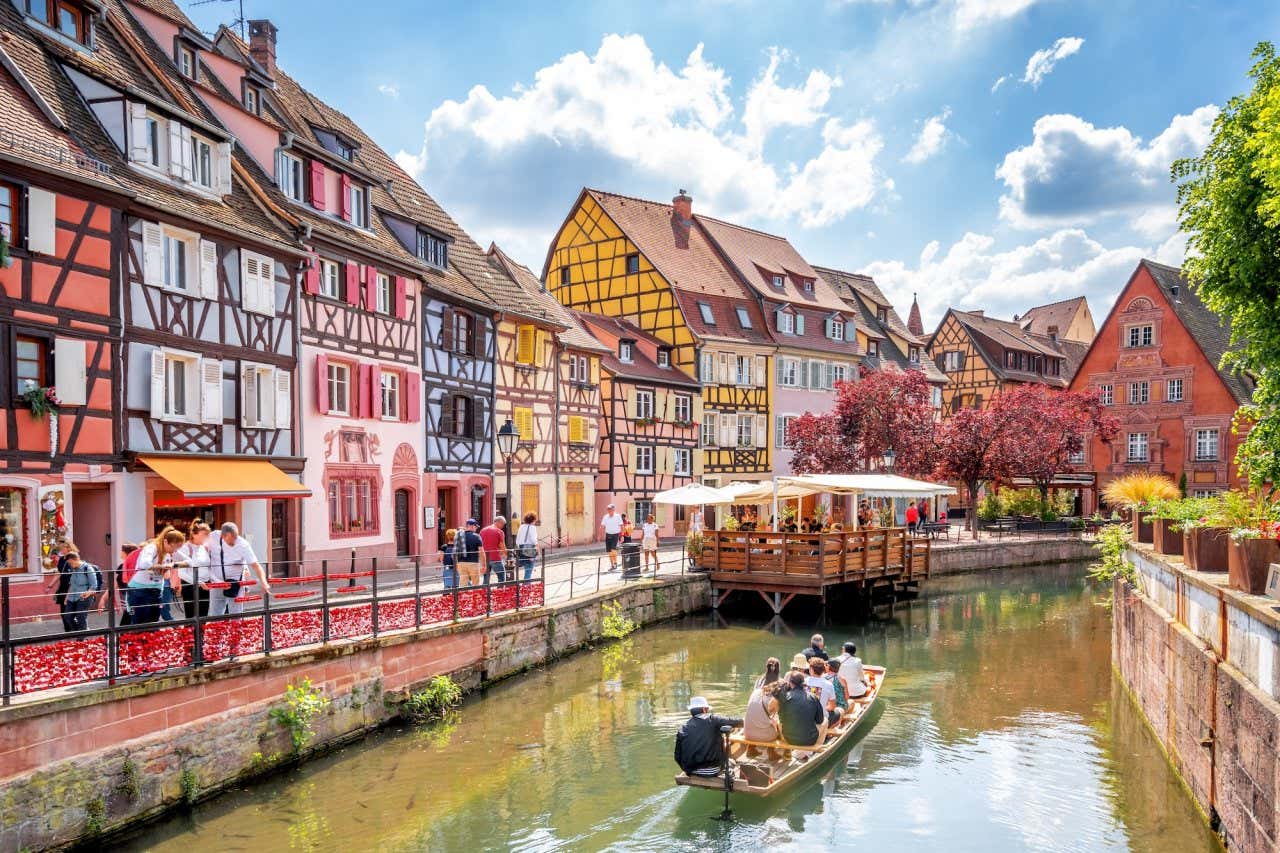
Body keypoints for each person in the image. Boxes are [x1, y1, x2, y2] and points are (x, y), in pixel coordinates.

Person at [208, 522, 271, 616]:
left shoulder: (243, 544)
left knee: (236, 614)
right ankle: (216, 630)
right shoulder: (212, 537)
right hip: (217, 583)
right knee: (214, 615)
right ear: (223, 535)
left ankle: (236, 629)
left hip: (236, 584)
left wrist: (264, 582)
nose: (234, 541)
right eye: (231, 538)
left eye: (235, 537)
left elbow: (256, 565)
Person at [674, 697, 743, 777]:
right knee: (731, 759)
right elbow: (735, 722)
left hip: (691, 771)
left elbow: (677, 756)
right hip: (713, 770)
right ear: (704, 709)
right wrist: (745, 721)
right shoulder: (712, 719)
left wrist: (686, 770)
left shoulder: (683, 727)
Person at [130, 528, 185, 624]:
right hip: (140, 589)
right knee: (139, 622)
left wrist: (173, 565)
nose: (174, 551)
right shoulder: (152, 547)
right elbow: (144, 564)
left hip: (157, 589)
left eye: (177, 548)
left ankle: (148, 638)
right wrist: (163, 567)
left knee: (153, 620)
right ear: (166, 542)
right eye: (173, 547)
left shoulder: (170, 551)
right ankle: (132, 638)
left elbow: (190, 561)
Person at [777, 671, 826, 748]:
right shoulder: (813, 697)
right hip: (810, 739)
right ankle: (816, 747)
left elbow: (781, 719)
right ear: (803, 683)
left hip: (788, 738)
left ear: (790, 683)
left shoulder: (784, 697)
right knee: (825, 720)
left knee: (778, 721)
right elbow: (820, 720)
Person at [176, 521, 212, 620]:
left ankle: (201, 635)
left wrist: (215, 580)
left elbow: (208, 567)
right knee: (191, 616)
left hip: (205, 585)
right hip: (190, 586)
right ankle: (191, 635)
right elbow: (181, 573)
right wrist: (197, 582)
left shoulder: (204, 548)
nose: (206, 537)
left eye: (207, 534)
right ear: (194, 534)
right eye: (204, 534)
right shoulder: (185, 548)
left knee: (204, 615)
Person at [60, 551, 101, 632]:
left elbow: (94, 585)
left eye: (71, 562)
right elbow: (72, 585)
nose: (70, 565)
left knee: (81, 617)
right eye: (69, 563)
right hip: (72, 597)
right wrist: (66, 597)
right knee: (67, 617)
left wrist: (87, 593)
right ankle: (82, 632)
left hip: (84, 597)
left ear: (76, 559)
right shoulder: (73, 569)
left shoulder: (87, 568)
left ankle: (81, 638)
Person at [45, 539, 79, 631]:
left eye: (62, 548)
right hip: (63, 588)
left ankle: (76, 631)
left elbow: (75, 576)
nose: (61, 550)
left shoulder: (74, 558)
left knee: (70, 612)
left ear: (68, 548)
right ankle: (68, 631)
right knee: (63, 612)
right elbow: (59, 573)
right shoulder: (62, 559)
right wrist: (49, 586)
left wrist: (70, 591)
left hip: (72, 588)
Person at [805, 658, 842, 728]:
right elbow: (832, 707)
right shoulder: (829, 684)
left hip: (806, 717)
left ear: (811, 670)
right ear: (823, 670)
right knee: (840, 710)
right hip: (821, 718)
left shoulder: (803, 681)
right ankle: (827, 732)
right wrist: (823, 708)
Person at [455, 519, 484, 587]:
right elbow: (481, 551)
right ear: (472, 526)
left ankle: (463, 597)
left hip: (461, 563)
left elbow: (456, 551)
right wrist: (484, 564)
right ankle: (475, 597)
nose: (476, 528)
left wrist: (456, 563)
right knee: (475, 584)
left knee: (463, 584)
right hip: (473, 563)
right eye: (476, 526)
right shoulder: (476, 536)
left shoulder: (459, 536)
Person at [479, 517, 508, 584]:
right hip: (495, 557)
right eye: (503, 524)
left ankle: (485, 592)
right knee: (502, 577)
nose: (502, 526)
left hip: (485, 558)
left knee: (486, 578)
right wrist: (505, 554)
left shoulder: (483, 530)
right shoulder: (499, 531)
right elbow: (502, 546)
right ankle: (500, 592)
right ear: (499, 522)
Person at [514, 513, 539, 581]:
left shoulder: (521, 526)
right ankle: (526, 587)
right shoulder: (532, 527)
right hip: (529, 550)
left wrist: (521, 547)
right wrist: (537, 547)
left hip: (521, 550)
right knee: (528, 570)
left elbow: (517, 540)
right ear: (533, 520)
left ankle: (520, 585)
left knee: (523, 568)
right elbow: (534, 539)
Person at [600, 504, 623, 571]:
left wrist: (622, 536)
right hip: (608, 535)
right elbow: (602, 526)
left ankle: (615, 562)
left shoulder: (617, 516)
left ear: (613, 510)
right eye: (608, 509)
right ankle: (612, 565)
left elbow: (621, 526)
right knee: (609, 551)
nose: (609, 510)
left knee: (613, 549)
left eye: (610, 509)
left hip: (615, 535)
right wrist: (599, 535)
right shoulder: (605, 517)